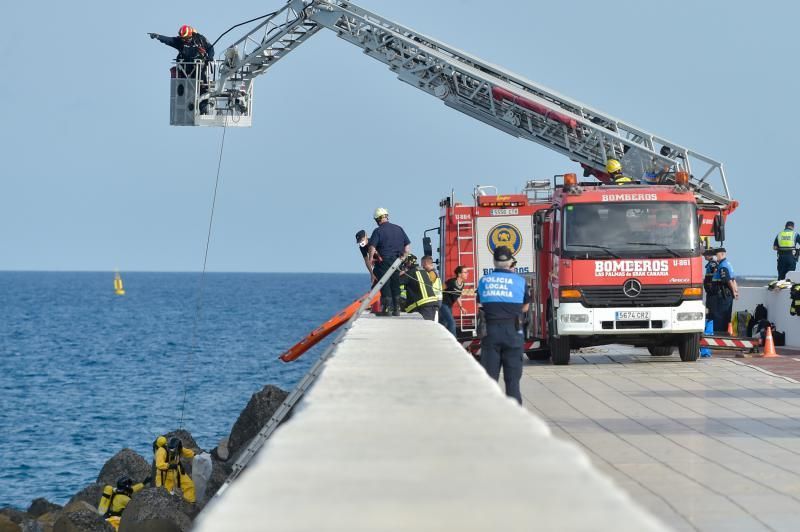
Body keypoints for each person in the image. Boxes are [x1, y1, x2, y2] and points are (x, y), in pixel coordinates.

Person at [477, 246, 530, 404]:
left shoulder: (484, 281)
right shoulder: (520, 281)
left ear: (494, 262)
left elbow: (480, 303)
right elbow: (526, 306)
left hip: (490, 332)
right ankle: (516, 420)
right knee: (513, 383)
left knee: (490, 382)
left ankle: (491, 417)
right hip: (513, 332)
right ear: (510, 262)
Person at [368, 208, 411, 316]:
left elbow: (372, 247)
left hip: (383, 261)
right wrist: (402, 258)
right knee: (395, 282)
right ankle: (396, 309)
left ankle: (387, 308)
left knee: (385, 283)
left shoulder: (377, 231)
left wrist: (370, 259)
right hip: (397, 261)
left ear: (378, 219)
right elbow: (407, 248)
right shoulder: (399, 229)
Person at [149, 25, 215, 79]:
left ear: (190, 35)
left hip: (200, 67)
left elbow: (210, 48)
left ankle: (203, 87)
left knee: (201, 76)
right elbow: (169, 40)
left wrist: (210, 57)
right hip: (185, 67)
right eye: (182, 38)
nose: (183, 40)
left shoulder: (200, 39)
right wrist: (158, 36)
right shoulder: (180, 41)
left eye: (185, 38)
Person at [154, 436, 196, 503]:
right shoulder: (161, 451)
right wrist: (169, 465)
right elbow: (159, 464)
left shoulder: (179, 448)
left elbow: (186, 452)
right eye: (171, 449)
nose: (172, 450)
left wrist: (195, 455)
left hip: (176, 471)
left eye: (174, 448)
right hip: (163, 474)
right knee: (163, 492)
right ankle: (168, 508)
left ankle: (190, 502)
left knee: (189, 485)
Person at [402, 255, 441, 320]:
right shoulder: (426, 272)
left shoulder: (431, 273)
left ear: (425, 263)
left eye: (423, 264)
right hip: (433, 302)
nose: (422, 266)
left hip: (426, 302)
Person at [710, 247, 738, 334]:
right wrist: (735, 291)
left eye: (716, 255)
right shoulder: (727, 264)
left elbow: (728, 281)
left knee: (720, 316)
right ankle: (724, 333)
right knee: (725, 315)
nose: (715, 257)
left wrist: (734, 291)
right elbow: (733, 279)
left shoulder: (723, 266)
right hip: (726, 294)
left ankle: (719, 334)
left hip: (723, 294)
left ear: (722, 254)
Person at [439, 266, 466, 336]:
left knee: (443, 323)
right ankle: (453, 339)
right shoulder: (452, 281)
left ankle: (440, 337)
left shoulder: (462, 285)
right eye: (465, 272)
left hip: (449, 305)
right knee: (451, 322)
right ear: (459, 274)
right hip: (443, 304)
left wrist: (461, 307)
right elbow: (440, 288)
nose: (467, 274)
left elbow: (458, 296)